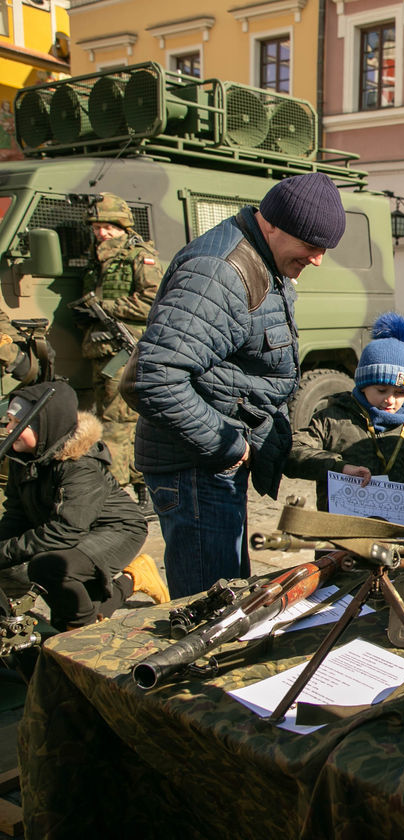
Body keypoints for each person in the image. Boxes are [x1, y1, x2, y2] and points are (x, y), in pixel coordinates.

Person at [132, 172, 345, 599]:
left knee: (227, 596)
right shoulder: (221, 272)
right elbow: (155, 376)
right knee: (208, 611)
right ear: (273, 224)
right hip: (197, 470)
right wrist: (231, 445)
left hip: (209, 466)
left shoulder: (262, 259)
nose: (318, 260)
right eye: (311, 246)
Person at [0, 380, 168, 631]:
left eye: (16, 422)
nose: (7, 428)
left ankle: (77, 638)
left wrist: (3, 552)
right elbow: (16, 514)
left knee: (49, 569)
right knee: (80, 605)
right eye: (8, 421)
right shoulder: (23, 458)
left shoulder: (80, 464)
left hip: (117, 530)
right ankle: (133, 580)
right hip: (74, 530)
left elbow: (66, 530)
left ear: (43, 426)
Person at [72, 193, 163, 517]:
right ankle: (144, 491)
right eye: (97, 227)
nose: (101, 233)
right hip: (103, 349)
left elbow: (153, 299)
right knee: (119, 418)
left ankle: (110, 496)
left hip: (125, 350)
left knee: (117, 420)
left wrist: (106, 308)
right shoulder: (98, 259)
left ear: (122, 225)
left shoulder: (138, 255)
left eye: (107, 226)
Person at [285, 312, 404, 515]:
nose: (390, 400)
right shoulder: (333, 419)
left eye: (400, 393)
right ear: (363, 385)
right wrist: (338, 467)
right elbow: (292, 452)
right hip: (338, 533)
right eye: (381, 390)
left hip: (392, 537)